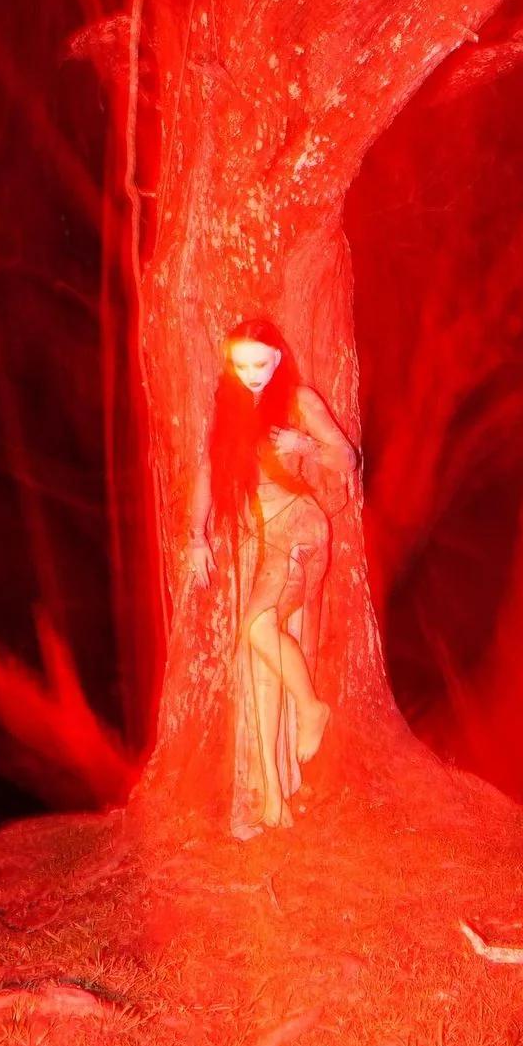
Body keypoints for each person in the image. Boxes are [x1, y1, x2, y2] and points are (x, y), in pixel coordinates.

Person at [187, 319, 357, 836]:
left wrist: (304, 445)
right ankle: (272, 798)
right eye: (241, 364)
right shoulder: (230, 413)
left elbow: (345, 458)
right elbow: (207, 472)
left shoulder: (299, 399)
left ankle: (311, 708)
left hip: (299, 526)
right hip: (258, 539)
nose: (251, 373)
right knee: (258, 663)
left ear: (278, 359)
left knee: (257, 629)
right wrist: (196, 536)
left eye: (260, 363)